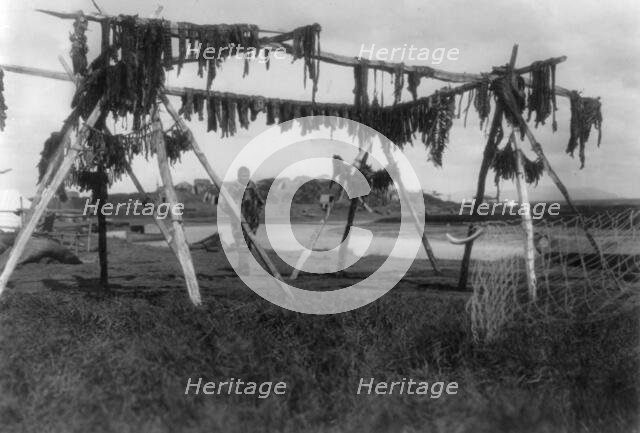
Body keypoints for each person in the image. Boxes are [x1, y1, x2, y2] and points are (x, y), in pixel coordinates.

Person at [228, 166, 264, 275]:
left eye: (246, 175)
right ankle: (243, 266)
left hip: (252, 220)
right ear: (238, 176)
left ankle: (244, 266)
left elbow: (261, 202)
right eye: (242, 175)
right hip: (238, 221)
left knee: (248, 243)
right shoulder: (233, 187)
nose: (245, 178)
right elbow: (226, 204)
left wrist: (256, 212)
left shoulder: (253, 186)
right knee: (240, 242)